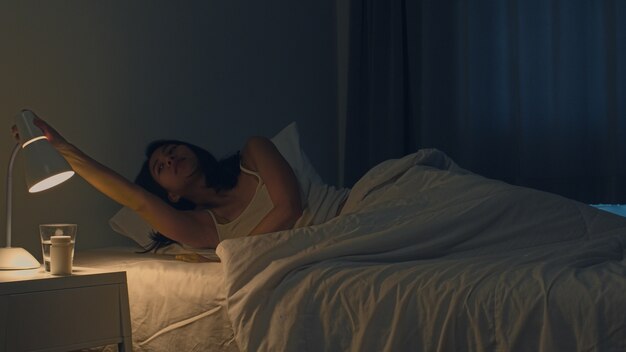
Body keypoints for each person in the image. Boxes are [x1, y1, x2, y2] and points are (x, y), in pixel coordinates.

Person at [12, 115, 316, 252]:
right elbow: (137, 200)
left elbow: (290, 208)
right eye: (161, 166)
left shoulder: (255, 151)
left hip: (345, 213)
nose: (170, 160)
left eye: (173, 151)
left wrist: (237, 254)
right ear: (169, 195)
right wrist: (64, 149)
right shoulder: (205, 228)